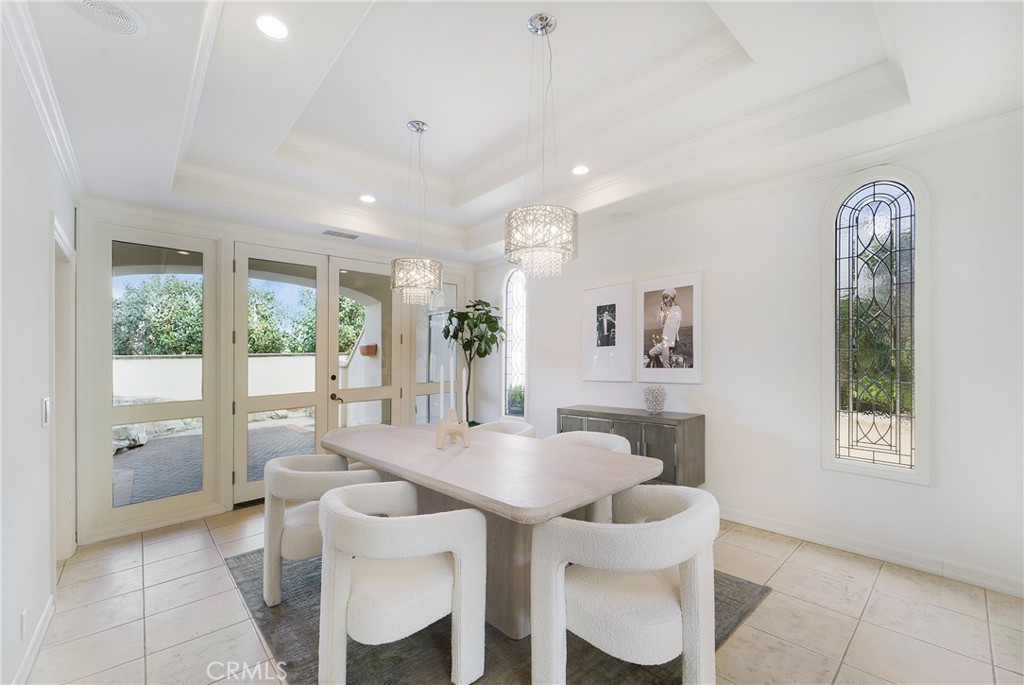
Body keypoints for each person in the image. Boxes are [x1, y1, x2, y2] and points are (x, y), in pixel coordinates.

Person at [647, 288, 682, 368]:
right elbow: (664, 325)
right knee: (650, 353)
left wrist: (671, 346)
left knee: (666, 365)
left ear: (672, 297)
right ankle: (660, 367)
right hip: (665, 341)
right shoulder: (670, 310)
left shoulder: (676, 309)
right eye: (663, 299)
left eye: (667, 298)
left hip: (669, 342)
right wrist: (662, 311)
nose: (665, 300)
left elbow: (674, 329)